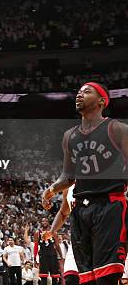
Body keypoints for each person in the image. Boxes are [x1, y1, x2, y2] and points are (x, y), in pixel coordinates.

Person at [42, 82, 128, 285]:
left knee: (107, 277)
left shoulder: (117, 129)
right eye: (79, 92)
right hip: (80, 211)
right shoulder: (69, 136)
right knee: (85, 279)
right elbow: (68, 176)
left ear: (101, 101)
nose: (80, 95)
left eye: (87, 92)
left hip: (109, 205)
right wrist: (52, 189)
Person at [33, 219, 61, 285]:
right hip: (43, 256)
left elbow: (57, 245)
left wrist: (61, 255)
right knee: (43, 277)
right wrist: (34, 258)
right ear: (41, 223)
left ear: (48, 222)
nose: (45, 222)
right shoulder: (37, 232)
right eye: (43, 221)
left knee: (55, 276)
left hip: (53, 255)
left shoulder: (53, 232)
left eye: (46, 221)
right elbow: (36, 246)